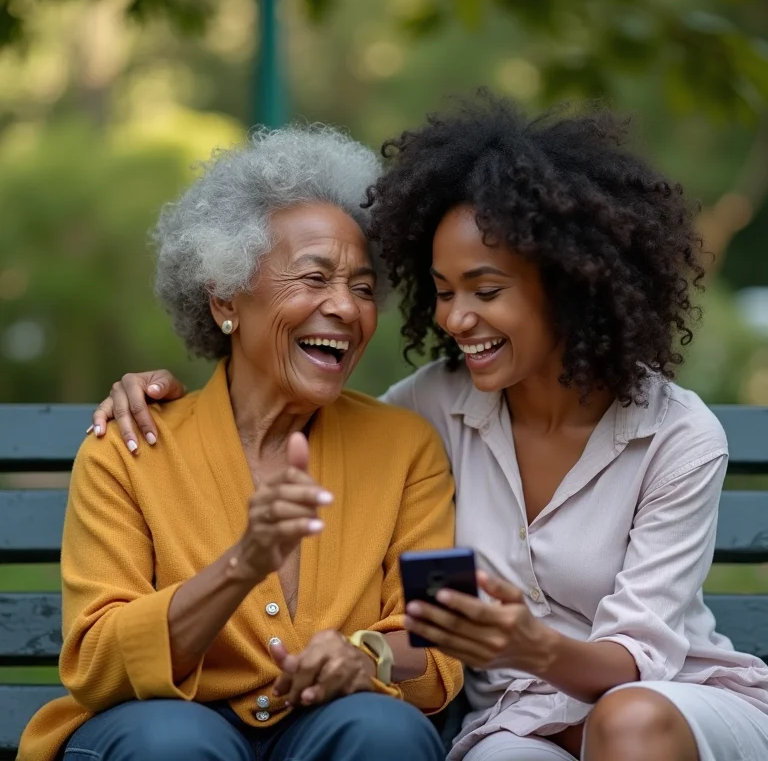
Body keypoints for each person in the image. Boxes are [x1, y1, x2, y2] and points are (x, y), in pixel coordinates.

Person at [87, 93, 768, 761]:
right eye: (443, 292)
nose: (452, 319)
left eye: (486, 290)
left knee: (614, 724)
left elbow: (633, 657)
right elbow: (418, 618)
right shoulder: (421, 413)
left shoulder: (669, 435)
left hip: (659, 700)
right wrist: (164, 400)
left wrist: (410, 653)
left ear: (567, 285)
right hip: (517, 721)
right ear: (224, 296)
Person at [17, 126, 464, 761]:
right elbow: (96, 661)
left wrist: (370, 659)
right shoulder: (127, 445)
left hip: (332, 725)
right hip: (160, 730)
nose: (344, 306)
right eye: (313, 278)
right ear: (226, 296)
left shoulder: (409, 446)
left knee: (381, 730)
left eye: (363, 288)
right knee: (171, 741)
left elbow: (441, 641)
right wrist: (242, 564)